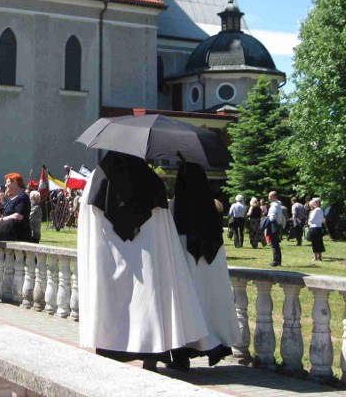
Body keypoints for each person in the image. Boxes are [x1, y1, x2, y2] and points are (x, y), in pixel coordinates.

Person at [78, 151, 223, 370]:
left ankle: (109, 345)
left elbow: (88, 232)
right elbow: (164, 236)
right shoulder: (151, 182)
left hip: (108, 259)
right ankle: (151, 353)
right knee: (148, 302)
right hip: (148, 260)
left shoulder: (96, 181)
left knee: (112, 301)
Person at [167, 160, 238, 370]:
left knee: (185, 307)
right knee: (210, 302)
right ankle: (214, 345)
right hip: (211, 262)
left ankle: (182, 355)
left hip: (184, 258)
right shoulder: (211, 206)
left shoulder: (176, 206)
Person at [0, 173, 31, 241]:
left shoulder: (22, 197)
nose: (5, 185)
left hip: (19, 236)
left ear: (15, 182)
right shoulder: (11, 199)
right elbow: (3, 213)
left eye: (7, 182)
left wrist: (0, 220)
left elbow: (18, 216)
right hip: (9, 235)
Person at [264, 191, 284, 267]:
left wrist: (267, 220)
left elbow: (272, 217)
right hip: (277, 225)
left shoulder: (274, 205)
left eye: (270, 196)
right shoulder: (278, 205)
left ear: (274, 197)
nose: (268, 197)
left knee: (274, 244)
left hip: (273, 225)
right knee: (276, 244)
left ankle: (275, 261)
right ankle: (278, 260)